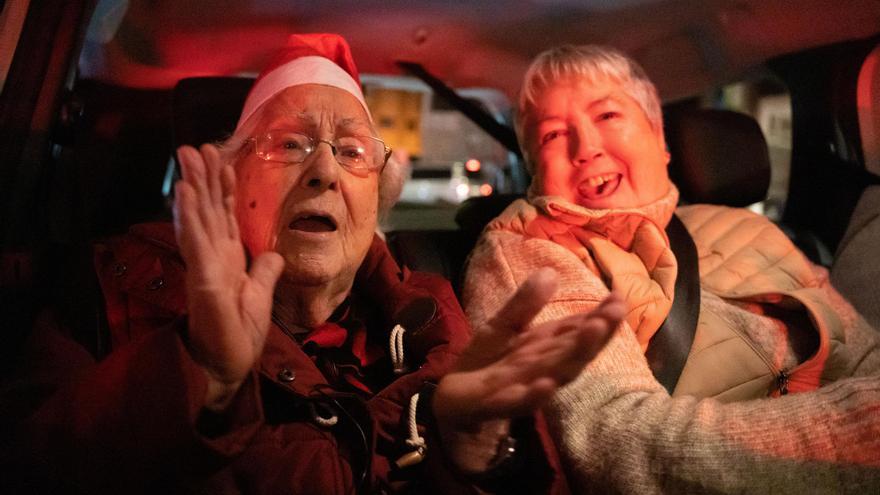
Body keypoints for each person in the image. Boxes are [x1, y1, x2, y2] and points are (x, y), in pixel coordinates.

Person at [0, 34, 626, 494]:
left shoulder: (430, 313)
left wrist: (480, 458)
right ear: (228, 176)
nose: (324, 170)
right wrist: (197, 376)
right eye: (289, 144)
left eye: (352, 151)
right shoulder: (113, 283)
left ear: (375, 198)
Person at [463, 44, 880, 493]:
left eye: (607, 116)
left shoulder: (747, 226)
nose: (585, 148)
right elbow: (617, 444)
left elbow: (863, 353)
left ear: (660, 139)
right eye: (551, 135)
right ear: (534, 173)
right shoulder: (530, 249)